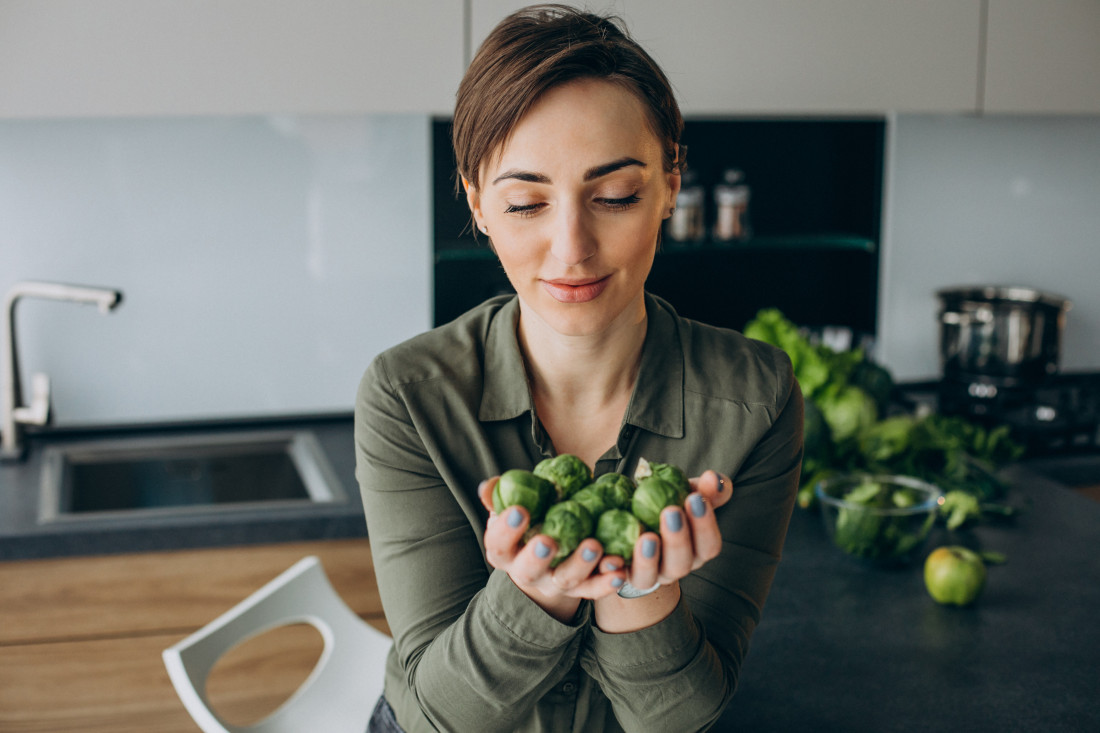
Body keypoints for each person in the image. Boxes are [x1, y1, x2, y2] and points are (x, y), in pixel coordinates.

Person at [355, 5, 803, 732]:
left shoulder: (756, 398)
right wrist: (532, 595)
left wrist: (640, 590)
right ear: (477, 202)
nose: (572, 248)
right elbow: (434, 714)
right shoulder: (407, 396)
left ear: (668, 184)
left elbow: (684, 714)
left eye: (616, 196)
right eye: (527, 202)